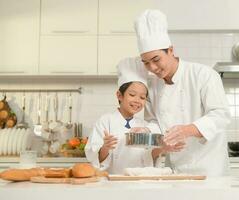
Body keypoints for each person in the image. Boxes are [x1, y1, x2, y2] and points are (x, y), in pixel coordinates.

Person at [134, 10, 231, 176]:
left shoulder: (203, 75)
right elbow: (154, 122)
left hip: (210, 169)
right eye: (146, 63)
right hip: (175, 170)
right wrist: (147, 132)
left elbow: (221, 115)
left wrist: (188, 130)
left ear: (170, 50)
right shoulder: (151, 87)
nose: (153, 68)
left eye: (156, 60)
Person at [85, 57, 160, 174]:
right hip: (112, 182)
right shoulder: (105, 121)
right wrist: (105, 147)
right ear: (119, 95)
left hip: (139, 183)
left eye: (142, 97)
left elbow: (150, 156)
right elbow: (95, 159)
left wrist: (162, 148)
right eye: (132, 94)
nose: (137, 100)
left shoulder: (145, 126)